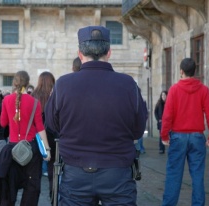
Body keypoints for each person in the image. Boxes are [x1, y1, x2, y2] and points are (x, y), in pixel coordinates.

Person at [45, 26, 147, 205]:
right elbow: (138, 130)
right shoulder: (128, 84)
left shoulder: (63, 85)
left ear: (80, 53)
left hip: (76, 173)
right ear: (109, 52)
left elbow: (53, 126)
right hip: (117, 173)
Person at [161, 58, 209, 206]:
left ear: (181, 71)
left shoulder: (174, 89)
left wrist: (164, 135)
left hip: (178, 136)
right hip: (197, 137)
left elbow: (167, 115)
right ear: (195, 71)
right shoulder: (203, 90)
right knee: (197, 175)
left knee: (174, 175)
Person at [0, 70, 51, 206]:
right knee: (32, 187)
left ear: (14, 83)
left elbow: (3, 123)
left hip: (12, 148)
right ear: (28, 84)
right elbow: (40, 128)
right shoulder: (34, 102)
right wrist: (47, 149)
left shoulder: (6, 100)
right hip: (31, 149)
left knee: (9, 186)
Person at [31, 71, 57, 197]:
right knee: (52, 166)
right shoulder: (55, 95)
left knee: (35, 168)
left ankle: (34, 195)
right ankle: (53, 194)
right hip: (52, 134)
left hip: (36, 135)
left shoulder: (34, 95)